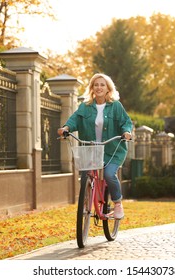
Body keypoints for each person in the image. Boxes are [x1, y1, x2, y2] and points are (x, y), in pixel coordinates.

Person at [57, 73, 133, 219]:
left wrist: (127, 132)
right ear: (92, 88)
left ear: (107, 88)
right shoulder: (85, 107)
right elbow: (74, 120)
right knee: (86, 175)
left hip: (112, 149)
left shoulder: (115, 106)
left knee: (110, 174)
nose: (99, 87)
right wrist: (66, 128)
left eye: (102, 85)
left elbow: (126, 122)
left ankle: (117, 204)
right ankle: (88, 200)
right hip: (91, 149)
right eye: (96, 85)